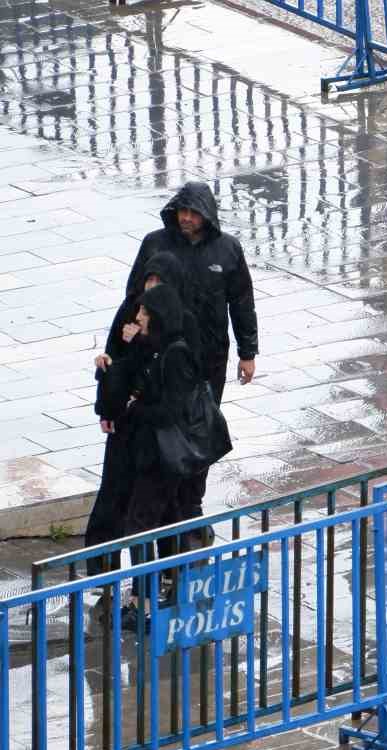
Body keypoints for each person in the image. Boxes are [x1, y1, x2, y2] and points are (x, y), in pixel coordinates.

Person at [125, 181, 256, 534]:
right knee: (165, 425)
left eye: (194, 213)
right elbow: (134, 295)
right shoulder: (156, 243)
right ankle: (166, 500)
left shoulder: (228, 250)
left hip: (210, 359)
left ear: (207, 215)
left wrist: (247, 351)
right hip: (164, 356)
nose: (186, 218)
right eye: (182, 211)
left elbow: (241, 301)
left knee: (201, 426)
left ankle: (191, 501)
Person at [92, 285, 204, 624]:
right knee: (160, 520)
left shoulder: (176, 354)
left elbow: (171, 410)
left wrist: (134, 408)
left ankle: (143, 604)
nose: (137, 316)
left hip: (164, 458)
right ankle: (168, 589)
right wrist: (109, 367)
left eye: (144, 312)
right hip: (150, 453)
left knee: (140, 525)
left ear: (158, 316)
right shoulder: (152, 347)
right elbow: (130, 375)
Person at [85, 252, 186, 576]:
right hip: (128, 423)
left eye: (159, 281)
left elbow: (173, 389)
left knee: (159, 507)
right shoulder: (132, 311)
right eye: (149, 280)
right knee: (113, 495)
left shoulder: (179, 329)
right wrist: (107, 402)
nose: (151, 288)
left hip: (157, 433)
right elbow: (117, 361)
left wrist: (140, 343)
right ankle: (103, 571)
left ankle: (168, 573)